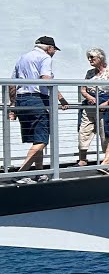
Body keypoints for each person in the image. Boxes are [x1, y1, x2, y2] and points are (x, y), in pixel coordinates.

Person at [9, 36, 69, 180]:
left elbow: (11, 84)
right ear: (49, 48)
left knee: (37, 140)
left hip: (21, 100)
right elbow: (46, 79)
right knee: (42, 140)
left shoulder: (22, 58)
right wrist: (61, 99)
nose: (54, 53)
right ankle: (21, 173)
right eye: (54, 50)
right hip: (36, 100)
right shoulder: (45, 58)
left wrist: (13, 105)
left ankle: (38, 172)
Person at [77, 48, 109, 166]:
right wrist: (88, 97)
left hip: (104, 105)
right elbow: (83, 89)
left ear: (100, 58)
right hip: (90, 104)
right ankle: (82, 159)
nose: (90, 60)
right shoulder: (90, 73)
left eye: (92, 57)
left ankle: (107, 161)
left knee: (104, 132)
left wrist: (106, 103)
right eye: (89, 57)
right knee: (84, 130)